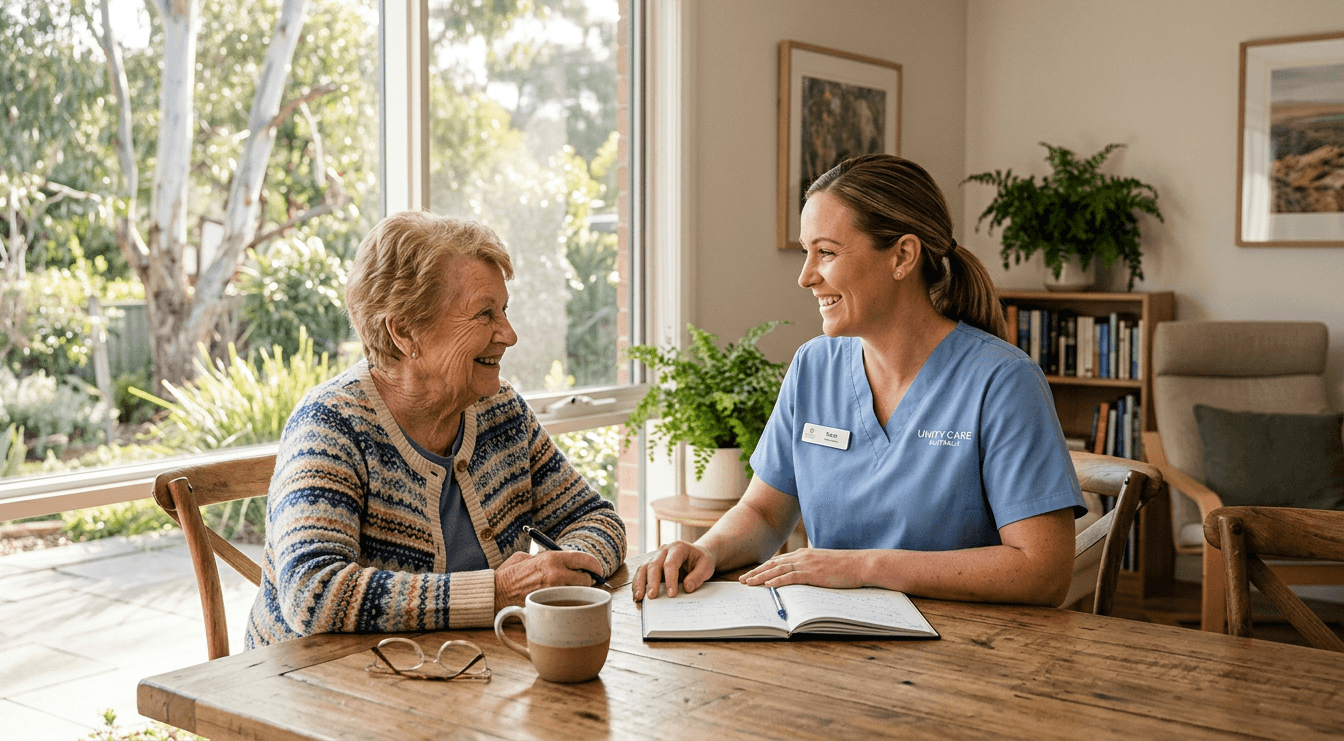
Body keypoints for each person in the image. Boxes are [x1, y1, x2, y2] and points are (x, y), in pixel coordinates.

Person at [633, 154, 1084, 607]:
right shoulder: (814, 366)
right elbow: (764, 513)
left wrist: (864, 567)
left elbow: (1042, 571)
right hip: (835, 639)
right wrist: (706, 549)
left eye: (826, 252)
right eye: (807, 251)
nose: (806, 276)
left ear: (902, 256)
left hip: (967, 651)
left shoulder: (1003, 381)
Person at [247, 210, 626, 647]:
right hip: (316, 690)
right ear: (405, 332)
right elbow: (312, 593)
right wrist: (496, 592)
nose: (509, 333)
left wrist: (561, 576)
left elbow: (597, 519)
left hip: (460, 673)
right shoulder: (331, 424)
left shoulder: (501, 411)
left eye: (504, 310)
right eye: (485, 314)